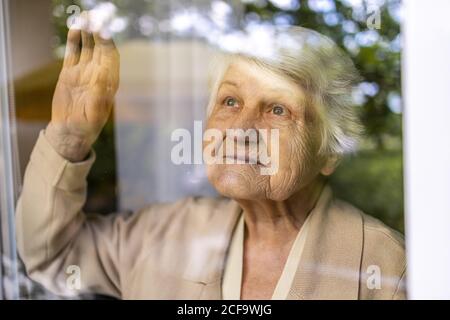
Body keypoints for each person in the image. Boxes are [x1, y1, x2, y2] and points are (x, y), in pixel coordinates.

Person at [16, 13, 406, 299]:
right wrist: (68, 136)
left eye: (277, 110)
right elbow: (52, 256)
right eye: (230, 101)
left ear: (329, 153)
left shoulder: (388, 268)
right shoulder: (161, 234)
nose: (239, 130)